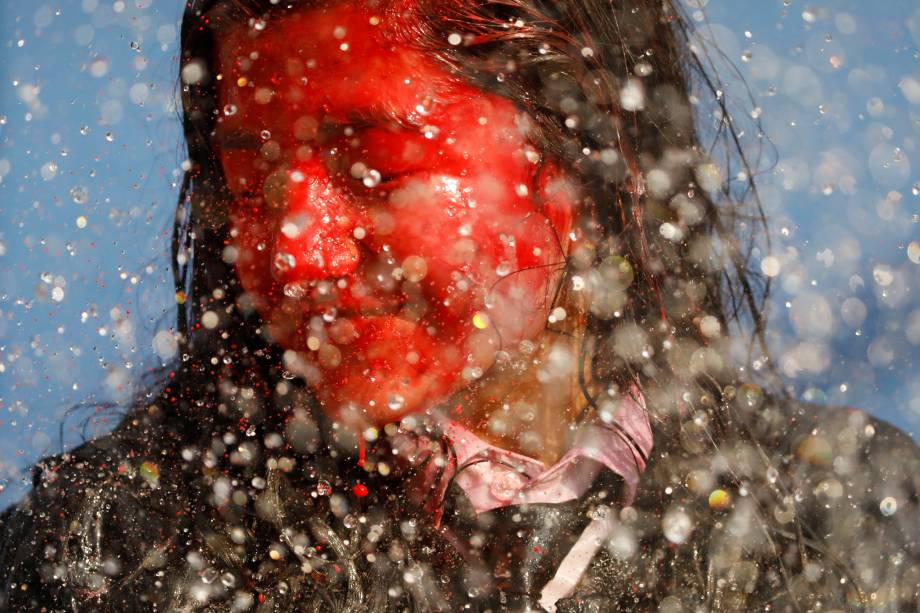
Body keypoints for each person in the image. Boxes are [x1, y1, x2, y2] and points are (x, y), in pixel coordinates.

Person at [2, 0, 919, 611]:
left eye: (377, 168)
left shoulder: (847, 523)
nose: (291, 253)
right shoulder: (105, 560)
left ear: (591, 170)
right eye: (250, 178)